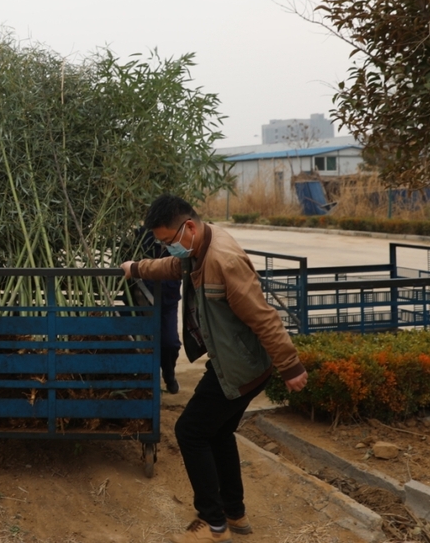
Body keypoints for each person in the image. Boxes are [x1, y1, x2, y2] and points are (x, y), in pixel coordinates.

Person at [122, 194, 307, 543]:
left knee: (190, 432)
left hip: (239, 366)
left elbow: (263, 316)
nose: (167, 249)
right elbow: (174, 267)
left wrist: (290, 366)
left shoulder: (223, 259)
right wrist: (137, 268)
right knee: (218, 433)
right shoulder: (198, 246)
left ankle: (213, 522)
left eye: (167, 242)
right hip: (234, 360)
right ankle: (235, 514)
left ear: (187, 227)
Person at [138, 226, 182, 394]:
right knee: (145, 343)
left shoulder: (178, 235)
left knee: (170, 343)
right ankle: (146, 382)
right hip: (143, 299)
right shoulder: (143, 236)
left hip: (168, 300)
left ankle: (169, 374)